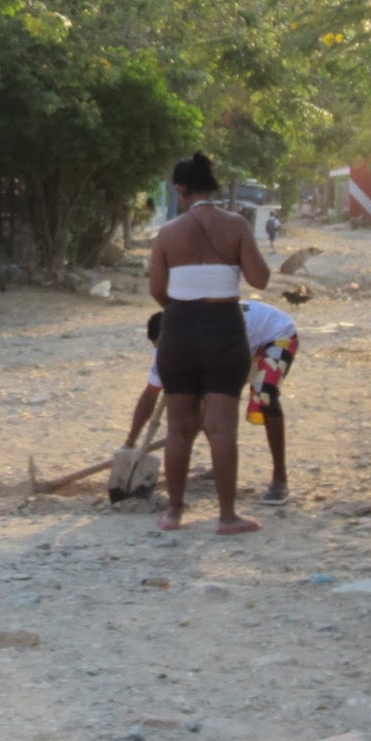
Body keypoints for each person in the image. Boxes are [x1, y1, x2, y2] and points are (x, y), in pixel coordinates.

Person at [148, 152, 270, 534]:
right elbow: (260, 280)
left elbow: (157, 290)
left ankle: (174, 512)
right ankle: (227, 516)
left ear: (181, 190)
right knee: (222, 429)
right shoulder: (235, 225)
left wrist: (183, 315)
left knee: (178, 428)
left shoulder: (167, 234)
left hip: (179, 330)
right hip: (224, 329)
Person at [125, 302, 299, 505]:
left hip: (274, 336)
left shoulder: (211, 335)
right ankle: (220, 467)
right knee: (210, 407)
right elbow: (150, 395)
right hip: (238, 347)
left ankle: (280, 479)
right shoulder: (166, 351)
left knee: (264, 395)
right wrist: (130, 443)